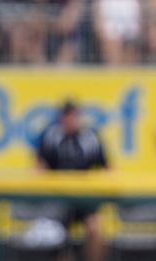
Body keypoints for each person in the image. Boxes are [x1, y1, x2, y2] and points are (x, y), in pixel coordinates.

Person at [37, 100, 108, 261]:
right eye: (67, 117)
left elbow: (107, 169)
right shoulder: (50, 136)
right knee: (56, 233)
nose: (71, 121)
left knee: (96, 228)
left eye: (74, 117)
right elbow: (39, 168)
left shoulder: (90, 137)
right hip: (58, 198)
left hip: (83, 198)